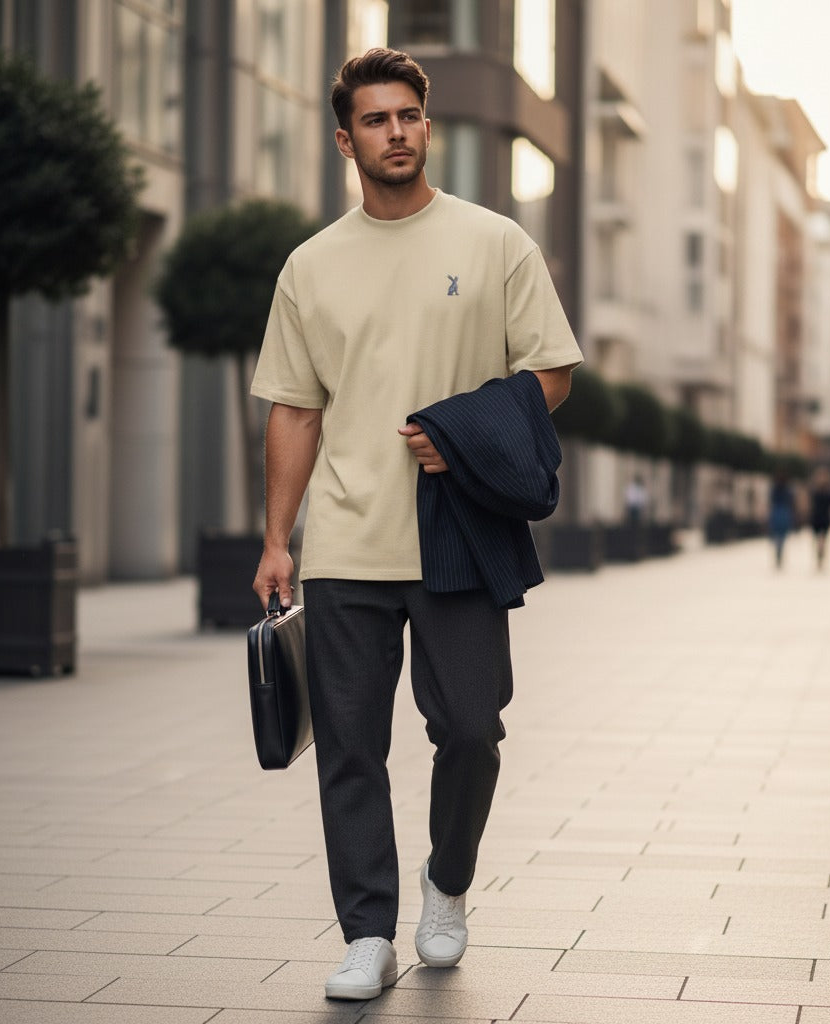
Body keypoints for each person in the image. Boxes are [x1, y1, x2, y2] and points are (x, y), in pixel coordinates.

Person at [249, 49, 580, 1002]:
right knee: (350, 746)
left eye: (409, 116)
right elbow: (294, 410)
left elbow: (550, 372)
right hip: (347, 539)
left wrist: (466, 436)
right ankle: (366, 931)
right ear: (344, 137)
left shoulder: (495, 244)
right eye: (376, 119)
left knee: (472, 729)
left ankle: (448, 881)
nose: (396, 132)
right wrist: (278, 538)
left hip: (459, 531)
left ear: (427, 127)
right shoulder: (310, 266)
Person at [808, 467, 830, 569]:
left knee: (822, 540)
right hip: (817, 518)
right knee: (819, 540)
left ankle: (821, 554)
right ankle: (820, 554)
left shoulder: (827, 492)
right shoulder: (816, 491)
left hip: (823, 519)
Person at [768, 472, 796, 568]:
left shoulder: (774, 489)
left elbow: (771, 502)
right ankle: (780, 551)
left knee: (777, 535)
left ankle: (778, 552)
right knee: (782, 536)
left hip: (777, 513)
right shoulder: (788, 490)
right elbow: (792, 502)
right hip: (784, 513)